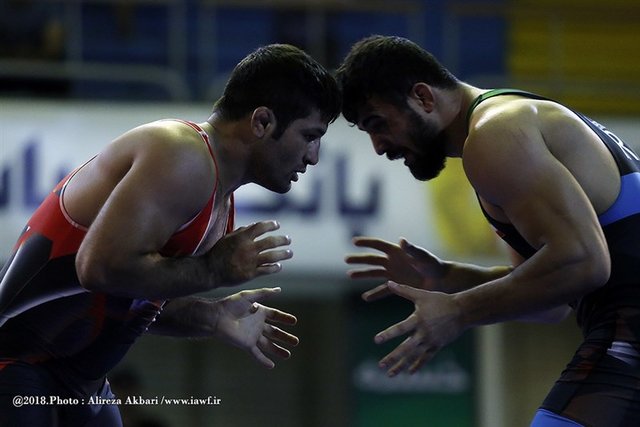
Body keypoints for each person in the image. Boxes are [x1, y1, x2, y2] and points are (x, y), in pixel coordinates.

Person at [0, 43, 341, 426]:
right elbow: (98, 268)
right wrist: (212, 271)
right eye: (310, 135)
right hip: (16, 366)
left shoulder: (218, 204)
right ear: (261, 122)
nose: (313, 156)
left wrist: (212, 317)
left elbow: (122, 301)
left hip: (78, 384)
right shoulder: (182, 153)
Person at [337, 35, 640, 427]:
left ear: (423, 98)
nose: (379, 146)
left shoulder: (495, 136)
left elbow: (585, 263)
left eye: (378, 124)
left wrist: (459, 312)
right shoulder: (504, 126)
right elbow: (552, 300)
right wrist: (448, 279)